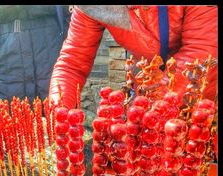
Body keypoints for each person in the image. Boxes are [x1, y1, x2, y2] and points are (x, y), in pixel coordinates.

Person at [49, 5, 217, 109]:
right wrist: (59, 109)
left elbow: (202, 52)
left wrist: (150, 109)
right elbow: (72, 62)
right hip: (149, 93)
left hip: (198, 95)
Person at [0, 5, 71, 108]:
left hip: (51, 50)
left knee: (57, 116)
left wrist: (67, 45)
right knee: (10, 118)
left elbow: (71, 12)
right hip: (7, 56)